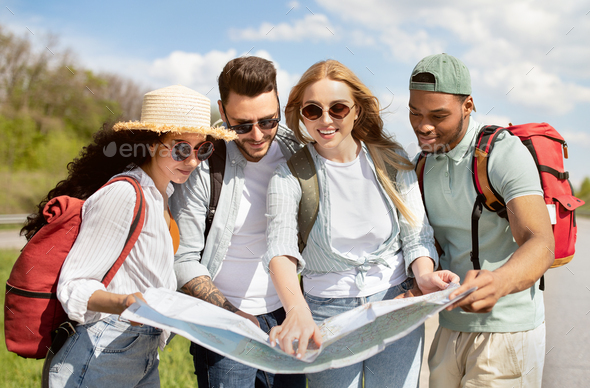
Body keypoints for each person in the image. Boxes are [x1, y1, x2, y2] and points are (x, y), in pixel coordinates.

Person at [21, 85, 237, 387]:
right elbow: (74, 285)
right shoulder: (124, 194)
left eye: (202, 149)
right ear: (151, 144)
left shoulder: (163, 195)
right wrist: (124, 302)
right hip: (101, 351)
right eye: (180, 148)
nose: (192, 161)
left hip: (142, 351)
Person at [264, 59, 458, 388]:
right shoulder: (288, 174)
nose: (326, 120)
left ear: (356, 111)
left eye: (338, 108)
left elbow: (417, 236)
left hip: (396, 305)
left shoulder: (392, 160)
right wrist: (296, 309)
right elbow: (280, 248)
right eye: (313, 111)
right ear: (302, 115)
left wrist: (424, 275)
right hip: (327, 314)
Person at [407, 53, 554, 387]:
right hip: (449, 328)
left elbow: (541, 243)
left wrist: (498, 283)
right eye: (415, 112)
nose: (423, 125)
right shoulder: (421, 164)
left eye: (438, 115)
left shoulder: (502, 152)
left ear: (468, 105)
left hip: (507, 330)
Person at [169, 56, 306, 388]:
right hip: (223, 323)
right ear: (222, 110)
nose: (258, 135)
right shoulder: (203, 164)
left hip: (287, 316)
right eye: (242, 125)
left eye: (268, 121)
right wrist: (234, 315)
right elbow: (183, 258)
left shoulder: (299, 150)